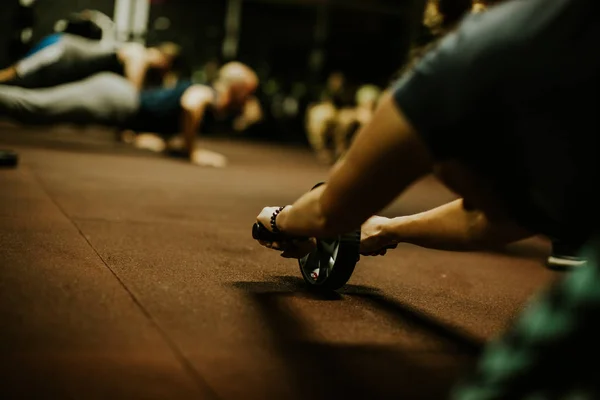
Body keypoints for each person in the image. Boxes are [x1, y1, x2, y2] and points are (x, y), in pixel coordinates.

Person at [253, 0, 600, 396]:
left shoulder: (464, 58)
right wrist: (388, 228)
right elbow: (502, 216)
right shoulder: (559, 41)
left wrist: (278, 220)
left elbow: (330, 212)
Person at [0, 61, 259, 167]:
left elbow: (176, 119)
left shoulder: (210, 101)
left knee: (33, 107)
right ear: (236, 90)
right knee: (32, 109)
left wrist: (155, 140)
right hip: (117, 98)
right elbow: (191, 106)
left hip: (117, 97)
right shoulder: (207, 92)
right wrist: (193, 154)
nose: (248, 99)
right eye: (248, 93)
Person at [0, 33, 181, 90]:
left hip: (65, 60)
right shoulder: (138, 53)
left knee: (20, 82)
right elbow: (131, 93)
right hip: (61, 50)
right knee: (13, 74)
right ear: (164, 59)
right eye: (166, 65)